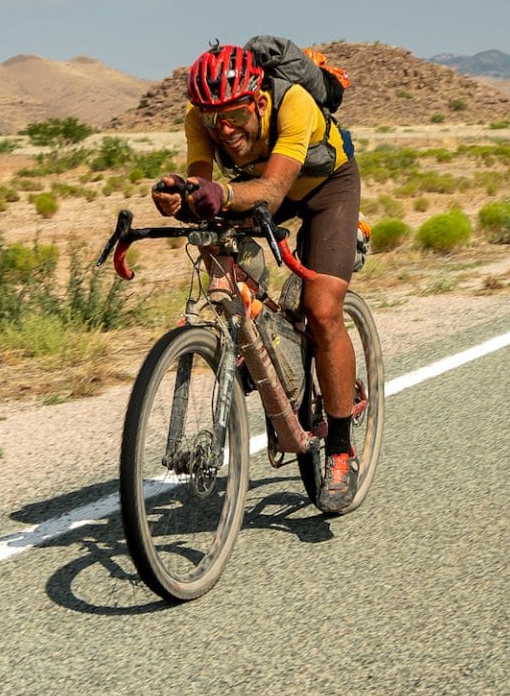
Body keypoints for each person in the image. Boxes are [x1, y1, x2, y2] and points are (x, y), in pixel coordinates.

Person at [151, 41, 363, 513]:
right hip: (261, 191)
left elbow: (271, 188)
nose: (222, 129)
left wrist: (217, 193)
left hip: (325, 189)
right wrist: (179, 196)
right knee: (224, 263)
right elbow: (200, 185)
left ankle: (343, 450)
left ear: (259, 103)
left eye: (234, 116)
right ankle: (267, 347)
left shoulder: (293, 103)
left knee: (322, 311)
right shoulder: (201, 118)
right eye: (212, 119)